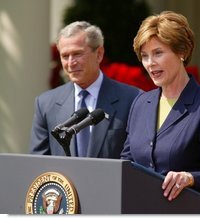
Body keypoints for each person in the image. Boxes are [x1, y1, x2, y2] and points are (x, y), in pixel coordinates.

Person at [120, 11, 200, 213]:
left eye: (158, 53)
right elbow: (126, 164)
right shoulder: (140, 103)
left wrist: (189, 178)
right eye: (144, 56)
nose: (150, 63)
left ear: (182, 52)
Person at [29, 21, 141, 158]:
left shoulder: (133, 99)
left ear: (99, 54)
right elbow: (39, 162)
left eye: (77, 54)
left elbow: (137, 159)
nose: (70, 63)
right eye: (65, 56)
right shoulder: (45, 103)